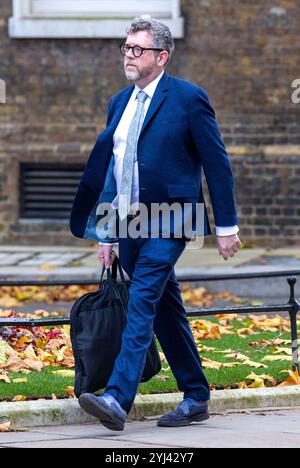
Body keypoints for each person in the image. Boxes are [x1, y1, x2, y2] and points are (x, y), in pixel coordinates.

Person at [70, 16, 242, 431]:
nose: (129, 55)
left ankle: (116, 396)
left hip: (172, 219)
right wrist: (106, 232)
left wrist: (226, 226)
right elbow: (114, 173)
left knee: (143, 298)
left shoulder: (188, 99)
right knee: (166, 309)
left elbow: (217, 164)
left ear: (161, 57)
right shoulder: (118, 103)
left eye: (138, 49)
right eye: (126, 47)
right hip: (129, 224)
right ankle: (197, 395)